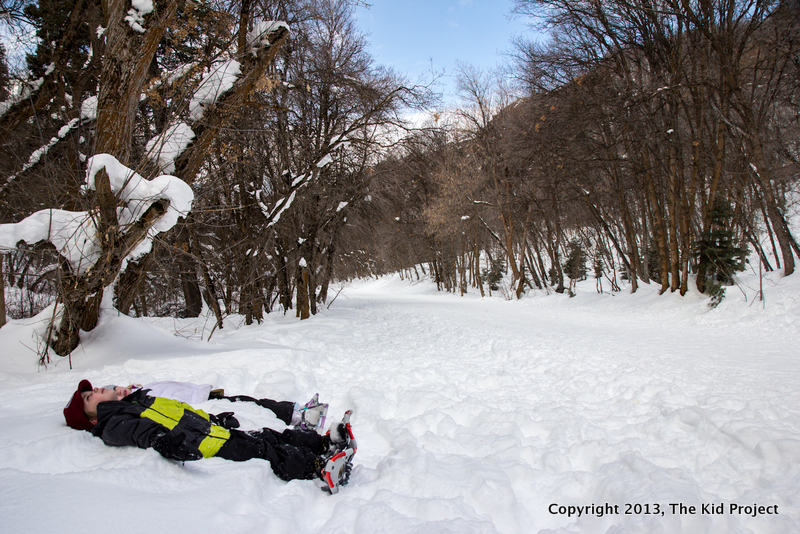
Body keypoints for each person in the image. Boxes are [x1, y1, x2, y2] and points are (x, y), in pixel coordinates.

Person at [62, 380, 355, 493]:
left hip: (211, 430)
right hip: (205, 445)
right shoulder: (114, 422)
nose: (98, 390)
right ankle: (318, 468)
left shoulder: (137, 401)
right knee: (266, 449)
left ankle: (324, 444)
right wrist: (164, 443)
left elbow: (180, 411)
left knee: (267, 434)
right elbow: (142, 432)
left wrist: (214, 417)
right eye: (90, 397)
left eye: (94, 388)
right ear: (91, 418)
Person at [85, 380, 327, 432]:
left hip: (206, 397)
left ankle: (298, 412)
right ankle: (301, 419)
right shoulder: (136, 405)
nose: (121, 392)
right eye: (89, 396)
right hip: (203, 408)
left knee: (253, 402)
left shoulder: (138, 391)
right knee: (254, 408)